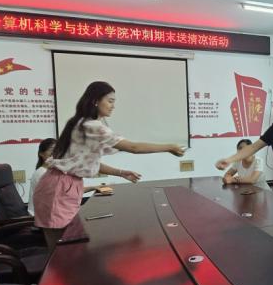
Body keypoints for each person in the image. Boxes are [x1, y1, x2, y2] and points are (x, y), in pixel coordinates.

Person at [33, 81, 185, 252]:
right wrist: (169, 147)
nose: (113, 106)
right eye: (110, 101)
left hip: (58, 185)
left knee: (64, 247)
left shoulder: (80, 122)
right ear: (95, 101)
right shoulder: (92, 126)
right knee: (64, 250)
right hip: (59, 188)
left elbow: (84, 161)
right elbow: (134, 147)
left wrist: (120, 172)